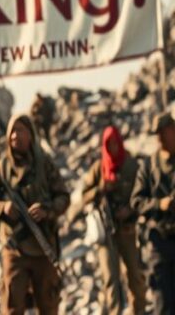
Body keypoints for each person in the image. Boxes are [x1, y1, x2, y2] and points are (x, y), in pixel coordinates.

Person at [0, 114, 69, 315]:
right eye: (12, 131)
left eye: (20, 130)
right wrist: (3, 207)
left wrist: (46, 210)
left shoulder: (45, 164)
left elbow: (64, 197)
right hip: (15, 252)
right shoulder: (3, 167)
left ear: (30, 134)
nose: (15, 136)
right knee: (12, 307)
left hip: (43, 248)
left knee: (48, 306)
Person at [80, 125, 145, 314]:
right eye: (109, 144)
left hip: (127, 230)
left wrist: (130, 210)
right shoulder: (99, 168)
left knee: (135, 276)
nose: (113, 147)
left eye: (115, 143)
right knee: (111, 280)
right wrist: (102, 188)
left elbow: (142, 195)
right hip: (106, 233)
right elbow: (84, 197)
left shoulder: (131, 166)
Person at [131, 112, 175, 314]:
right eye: (156, 134)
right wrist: (160, 205)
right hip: (160, 241)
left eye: (163, 132)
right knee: (163, 302)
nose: (159, 138)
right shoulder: (148, 166)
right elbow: (137, 202)